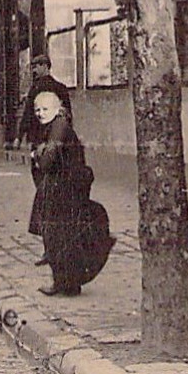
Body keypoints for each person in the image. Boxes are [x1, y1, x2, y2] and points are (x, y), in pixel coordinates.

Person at [31, 90, 115, 296]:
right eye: (37, 110)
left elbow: (48, 160)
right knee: (62, 234)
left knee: (59, 234)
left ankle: (64, 282)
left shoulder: (59, 127)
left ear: (56, 109)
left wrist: (37, 154)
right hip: (65, 186)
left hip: (63, 188)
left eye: (45, 109)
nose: (40, 114)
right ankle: (67, 282)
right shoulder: (57, 125)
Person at [19, 60, 74, 265]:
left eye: (37, 66)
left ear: (46, 66)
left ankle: (55, 252)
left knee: (52, 205)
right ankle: (49, 250)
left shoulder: (54, 89)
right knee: (45, 201)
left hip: (52, 158)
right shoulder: (40, 89)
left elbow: (66, 120)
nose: (34, 69)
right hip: (42, 147)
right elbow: (28, 115)